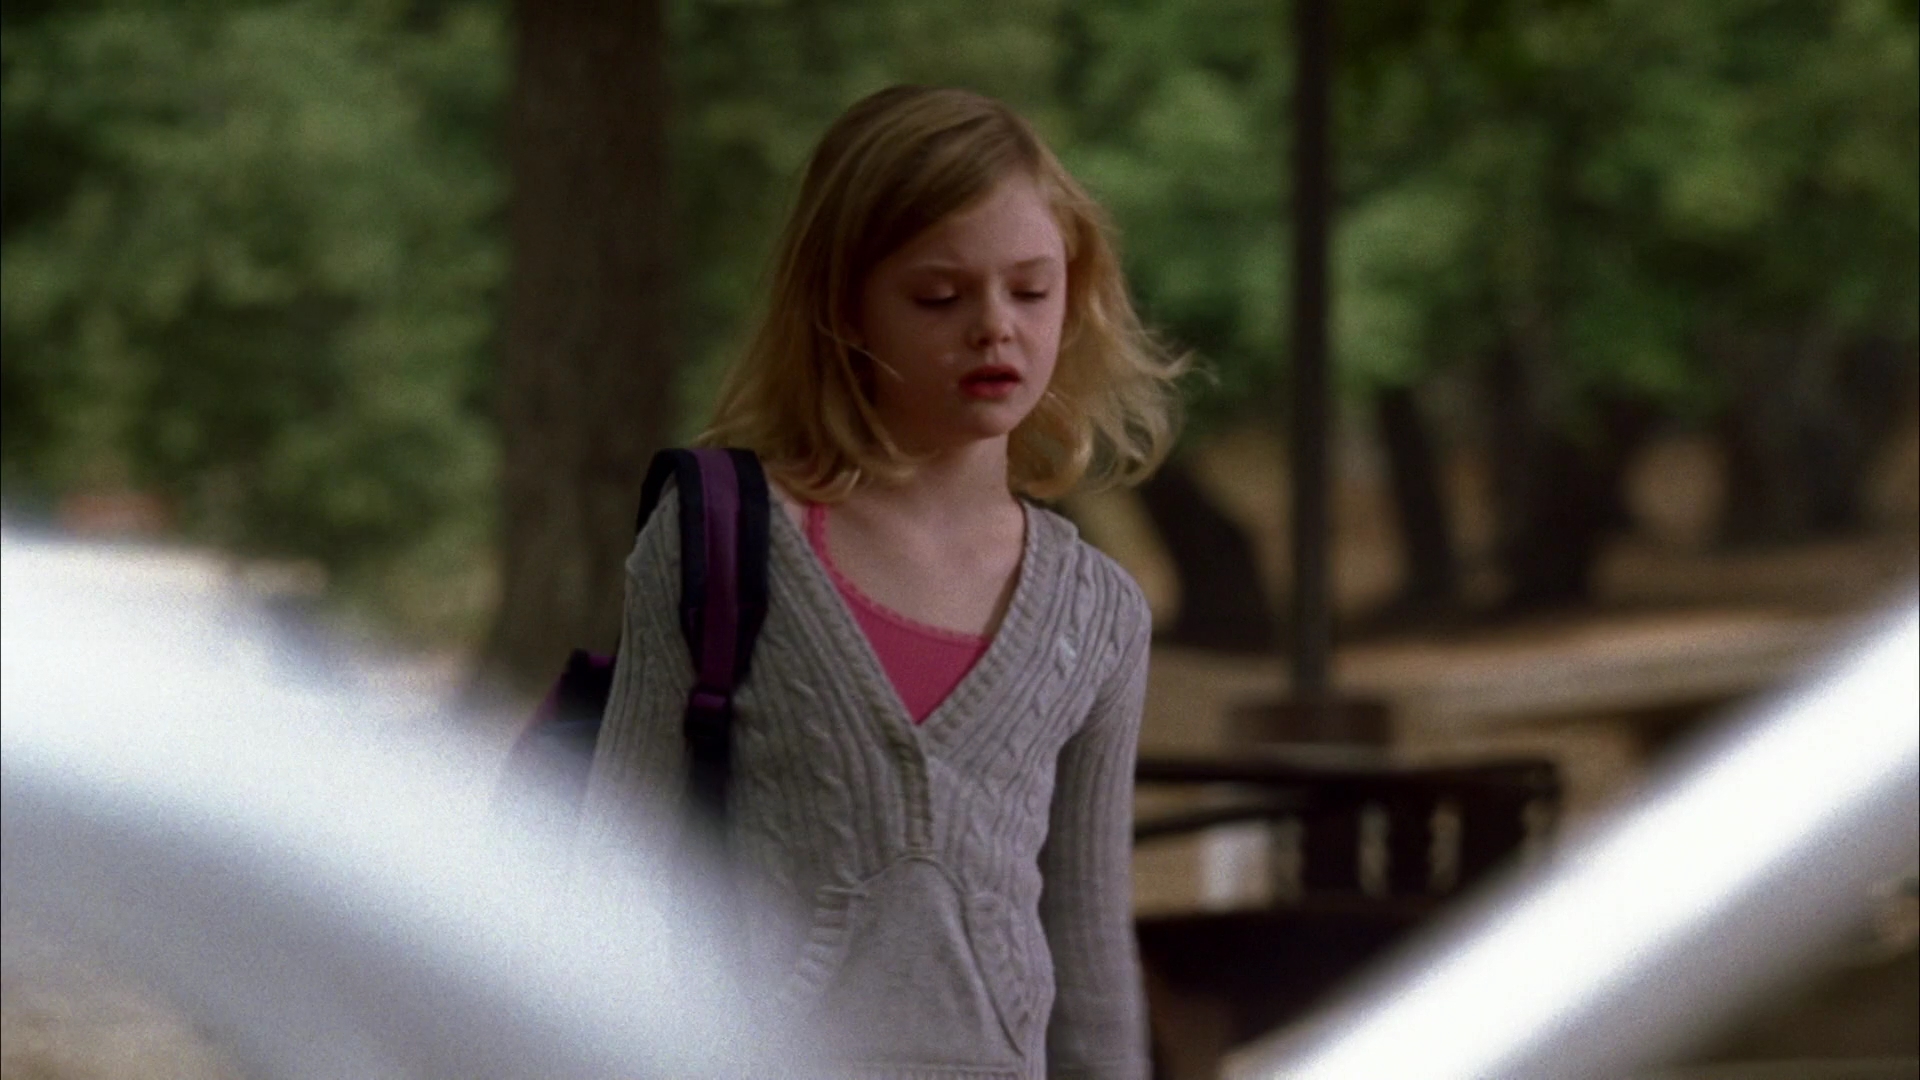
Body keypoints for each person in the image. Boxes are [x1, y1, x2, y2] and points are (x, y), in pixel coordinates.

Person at [578, 85, 1184, 1080]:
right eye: (939, 297)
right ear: (843, 307)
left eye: (1031, 291)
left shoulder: (1099, 615)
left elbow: (1088, 953)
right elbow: (610, 878)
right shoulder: (718, 541)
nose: (995, 328)